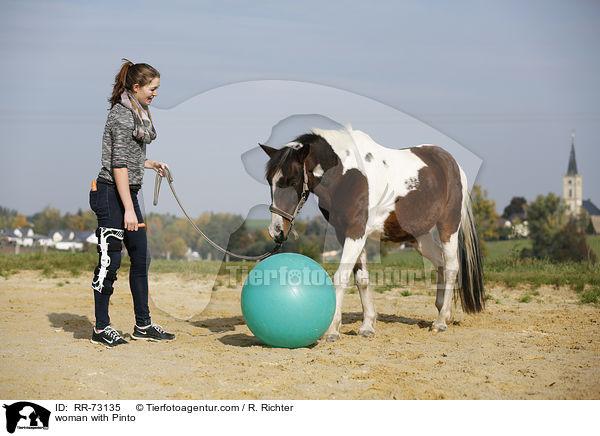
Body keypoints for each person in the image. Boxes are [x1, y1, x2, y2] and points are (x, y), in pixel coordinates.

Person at [89, 59, 175, 348]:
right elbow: (118, 166)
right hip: (111, 194)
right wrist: (127, 208)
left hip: (127, 191)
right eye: (152, 89)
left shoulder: (140, 112)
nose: (155, 94)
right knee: (109, 261)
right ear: (136, 87)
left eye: (157, 89)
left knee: (141, 258)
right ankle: (101, 328)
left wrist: (150, 164)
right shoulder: (122, 117)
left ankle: (143, 325)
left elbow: (131, 158)